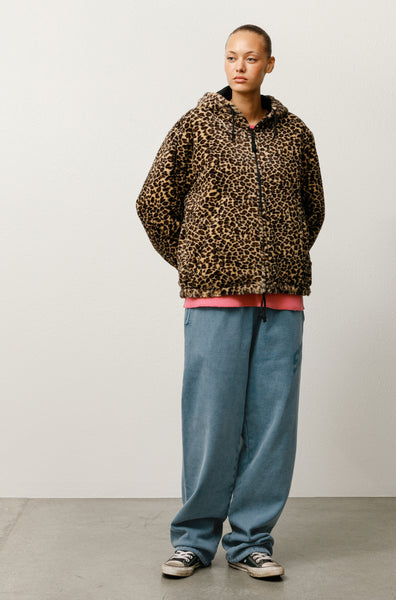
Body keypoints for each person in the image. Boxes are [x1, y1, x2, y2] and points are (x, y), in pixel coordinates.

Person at [136, 23, 325, 579]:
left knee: (272, 427)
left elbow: (312, 209)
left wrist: (281, 255)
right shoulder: (195, 126)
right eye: (231, 57)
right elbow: (153, 202)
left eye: (251, 58)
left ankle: (251, 542)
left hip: (281, 298)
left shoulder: (296, 134)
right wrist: (199, 261)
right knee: (211, 424)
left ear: (270, 64)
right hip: (215, 300)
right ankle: (194, 541)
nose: (240, 66)